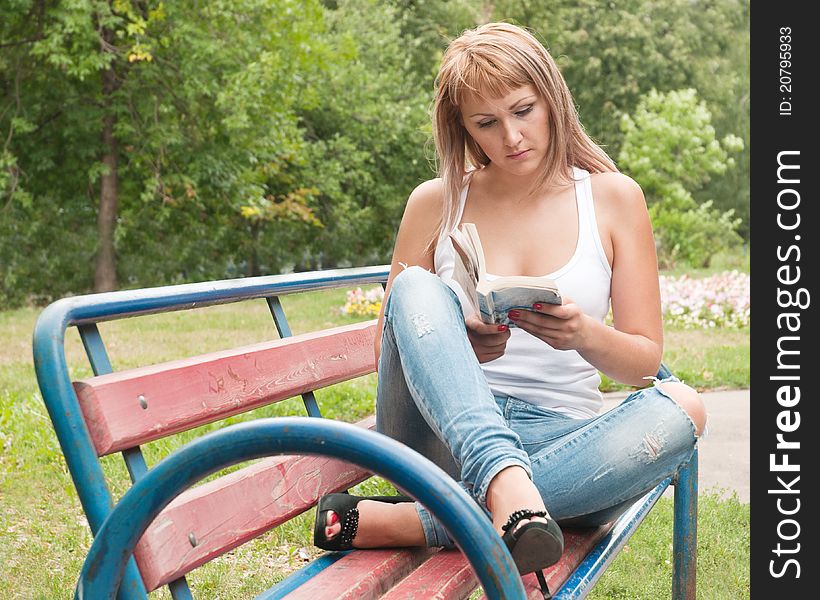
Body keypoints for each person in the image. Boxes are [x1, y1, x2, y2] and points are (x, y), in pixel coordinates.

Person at [312, 21, 706, 593]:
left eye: (523, 110)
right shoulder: (434, 202)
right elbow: (391, 345)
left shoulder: (614, 198)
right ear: (462, 128)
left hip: (562, 450)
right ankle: (500, 477)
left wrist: (582, 335)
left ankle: (427, 520)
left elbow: (644, 366)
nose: (511, 136)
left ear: (552, 99)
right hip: (439, 440)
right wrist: (459, 340)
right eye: (486, 123)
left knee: (685, 406)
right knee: (418, 288)